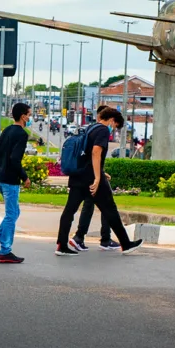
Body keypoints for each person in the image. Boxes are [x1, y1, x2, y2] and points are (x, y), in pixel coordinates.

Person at [56, 106, 142, 255]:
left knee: (70, 210)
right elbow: (96, 152)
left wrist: (101, 172)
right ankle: (126, 244)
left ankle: (61, 245)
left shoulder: (90, 127)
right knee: (110, 210)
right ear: (112, 120)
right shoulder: (102, 130)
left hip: (78, 176)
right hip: (91, 179)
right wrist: (97, 177)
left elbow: (87, 156)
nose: (113, 129)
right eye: (115, 126)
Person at [0, 103, 30, 263]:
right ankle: (5, 251)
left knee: (14, 213)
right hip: (11, 180)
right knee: (11, 215)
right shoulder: (22, 134)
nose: (29, 118)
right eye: (29, 115)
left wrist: (2, 167)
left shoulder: (7, 130)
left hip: (1, 177)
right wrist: (25, 177)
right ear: (23, 116)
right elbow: (15, 159)